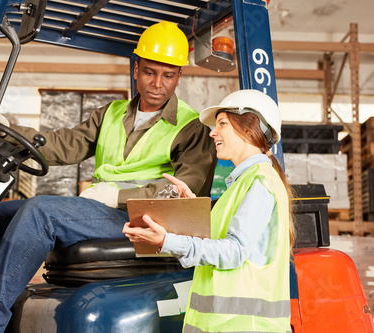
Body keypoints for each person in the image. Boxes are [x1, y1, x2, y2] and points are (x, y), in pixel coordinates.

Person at [0, 21, 217, 333]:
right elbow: (63, 144)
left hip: (142, 219)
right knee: (1, 213)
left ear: (178, 77)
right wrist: (5, 129)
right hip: (100, 211)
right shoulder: (111, 113)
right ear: (137, 69)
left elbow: (185, 192)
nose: (158, 83)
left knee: (41, 213)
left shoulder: (191, 128)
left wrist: (117, 196)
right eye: (150, 72)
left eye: (168, 75)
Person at [123, 89, 295, 333]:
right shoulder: (242, 185)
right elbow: (219, 240)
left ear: (249, 127)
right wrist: (191, 206)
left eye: (222, 123)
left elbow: (234, 251)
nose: (212, 132)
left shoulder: (259, 182)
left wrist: (167, 241)